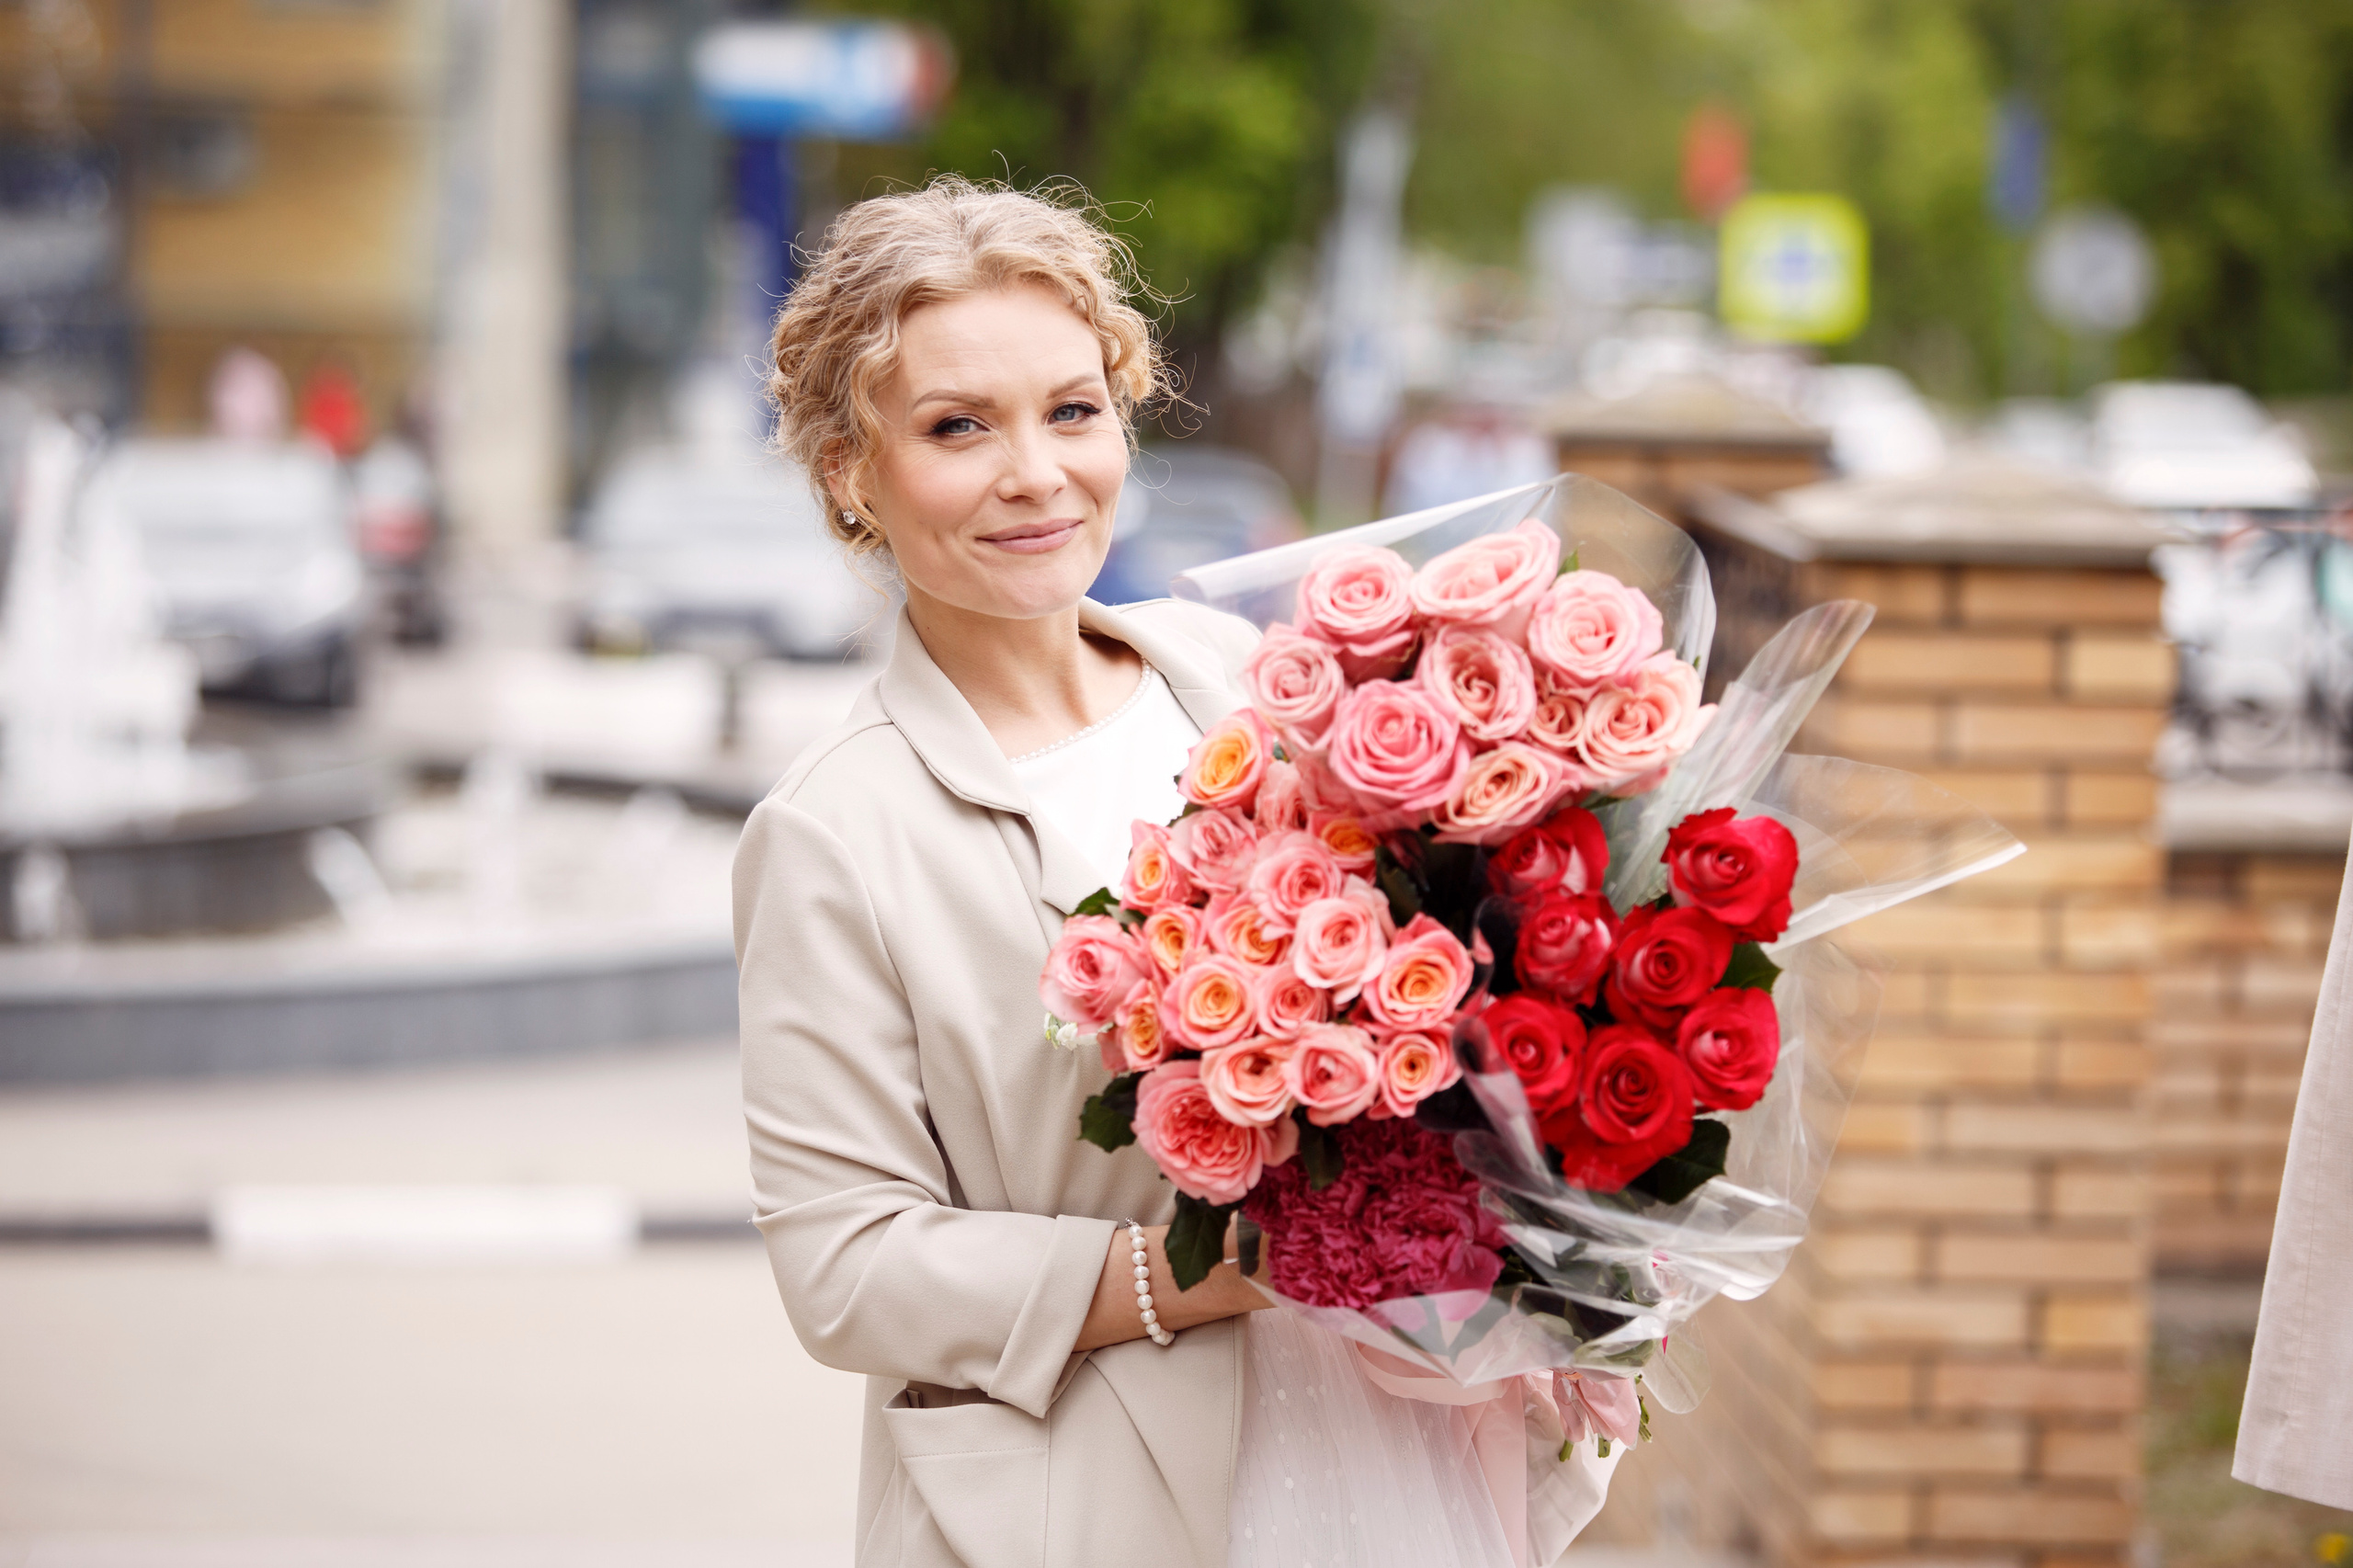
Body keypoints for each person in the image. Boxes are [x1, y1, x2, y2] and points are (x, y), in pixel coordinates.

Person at [736, 176, 1616, 1568]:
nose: (1035, 472)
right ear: (852, 468)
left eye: (1073, 410)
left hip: (1391, 1434)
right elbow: (847, 1272)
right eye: (958, 426)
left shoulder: (1254, 682)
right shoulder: (834, 830)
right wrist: (1214, 1275)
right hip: (1096, 1489)